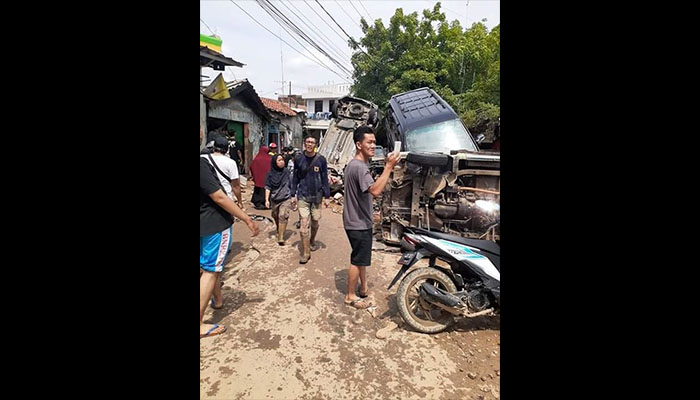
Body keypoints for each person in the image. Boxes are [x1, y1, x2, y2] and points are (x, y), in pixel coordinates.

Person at [200, 127, 260, 338]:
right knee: (211, 269)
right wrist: (245, 217)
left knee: (210, 267)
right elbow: (220, 196)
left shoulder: (205, 160)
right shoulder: (202, 164)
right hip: (214, 222)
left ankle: (218, 299)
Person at [342, 125, 399, 309]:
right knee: (357, 259)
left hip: (355, 219)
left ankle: (363, 288)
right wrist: (389, 167)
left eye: (375, 142)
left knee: (362, 257)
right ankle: (350, 295)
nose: (374, 145)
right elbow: (375, 190)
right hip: (358, 222)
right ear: (359, 145)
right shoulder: (360, 167)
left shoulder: (355, 164)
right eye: (370, 142)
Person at [290, 135, 330, 264]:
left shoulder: (321, 160)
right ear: (304, 143)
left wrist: (327, 196)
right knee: (303, 224)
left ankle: (312, 240)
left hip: (317, 196)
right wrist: (293, 195)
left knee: (315, 221)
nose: (309, 144)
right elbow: (295, 178)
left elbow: (324, 178)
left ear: (315, 145)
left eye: (312, 142)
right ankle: (306, 252)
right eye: (307, 142)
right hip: (303, 195)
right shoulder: (299, 159)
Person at [201, 136, 244, 209]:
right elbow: (235, 186)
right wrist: (239, 202)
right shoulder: (231, 163)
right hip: (225, 200)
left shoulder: (203, 158)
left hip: (206, 201)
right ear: (227, 149)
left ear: (213, 147)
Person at [265, 154, 293, 245]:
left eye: (282, 160)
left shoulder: (287, 172)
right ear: (274, 162)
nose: (282, 162)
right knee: (275, 215)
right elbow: (268, 187)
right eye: (279, 160)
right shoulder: (270, 174)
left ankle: (281, 237)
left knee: (283, 215)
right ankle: (278, 228)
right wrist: (267, 200)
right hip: (274, 199)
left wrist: (293, 196)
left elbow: (292, 184)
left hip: (285, 198)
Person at [248, 145, 272, 209]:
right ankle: (267, 203)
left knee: (258, 191)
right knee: (267, 190)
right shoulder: (270, 159)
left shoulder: (256, 159)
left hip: (258, 179)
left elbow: (251, 167)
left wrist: (254, 175)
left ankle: (258, 203)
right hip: (267, 180)